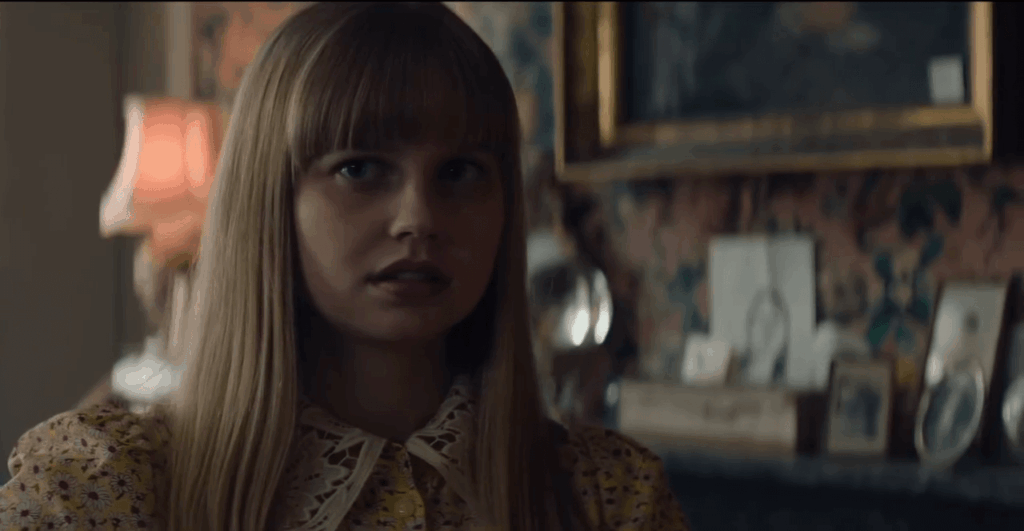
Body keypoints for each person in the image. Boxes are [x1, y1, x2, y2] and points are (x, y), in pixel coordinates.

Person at [0, 3, 689, 530]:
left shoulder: (606, 497)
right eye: (360, 169)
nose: (419, 216)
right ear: (271, 200)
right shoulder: (109, 487)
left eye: (459, 171)